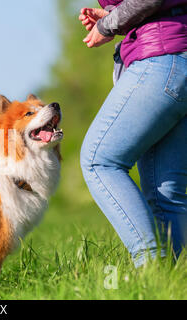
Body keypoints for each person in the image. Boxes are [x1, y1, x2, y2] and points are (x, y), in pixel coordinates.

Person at [79, 0, 187, 267]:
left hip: (161, 58)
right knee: (165, 191)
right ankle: (174, 286)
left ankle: (151, 268)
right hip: (177, 56)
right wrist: (116, 16)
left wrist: (108, 24)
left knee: (99, 160)